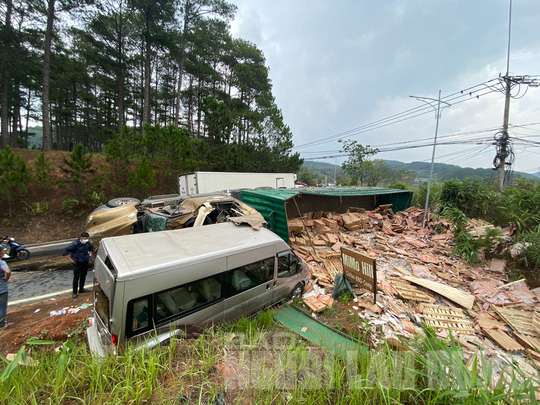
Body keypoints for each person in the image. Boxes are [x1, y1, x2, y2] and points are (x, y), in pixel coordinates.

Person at [63, 232, 94, 299]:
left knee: (83, 276)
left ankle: (81, 289)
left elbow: (91, 248)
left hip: (85, 262)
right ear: (81, 238)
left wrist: (89, 254)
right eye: (85, 238)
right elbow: (65, 252)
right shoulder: (75, 244)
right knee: (76, 277)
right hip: (77, 263)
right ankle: (74, 292)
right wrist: (71, 260)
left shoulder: (87, 243)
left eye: (87, 238)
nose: (86, 239)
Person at [0, 246, 11, 328]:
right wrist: (7, 278)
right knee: (2, 306)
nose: (4, 251)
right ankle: (1, 323)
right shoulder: (2, 262)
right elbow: (8, 271)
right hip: (1, 287)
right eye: (3, 250)